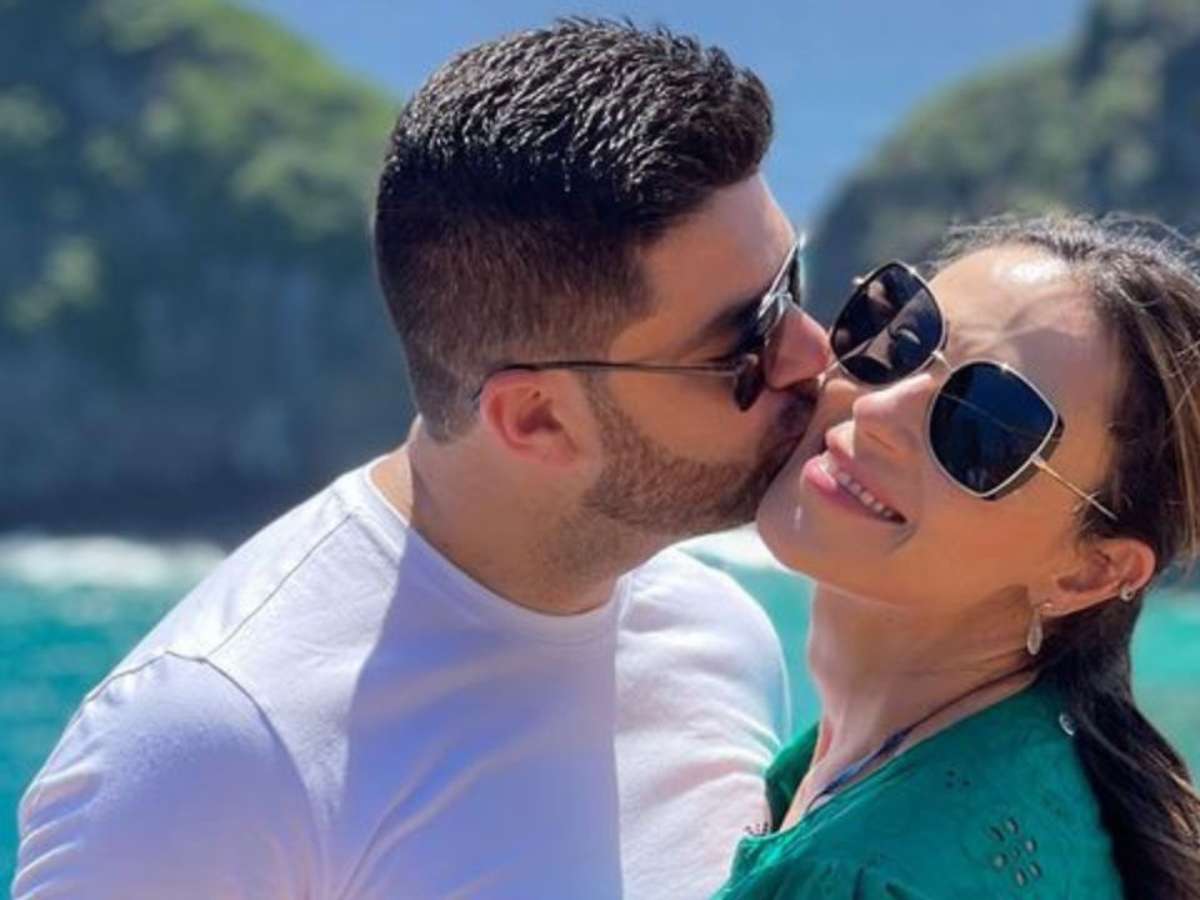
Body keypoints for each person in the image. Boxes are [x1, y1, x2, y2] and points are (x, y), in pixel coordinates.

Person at [14, 19, 836, 900]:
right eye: (747, 341)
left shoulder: (721, 632)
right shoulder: (210, 753)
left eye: (790, 284)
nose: (814, 352)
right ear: (536, 420)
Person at [718, 214, 1200, 899]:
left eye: (983, 425)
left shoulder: (859, 872)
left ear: (1090, 572)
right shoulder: (1036, 767)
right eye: (901, 336)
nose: (878, 411)